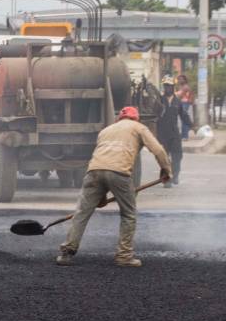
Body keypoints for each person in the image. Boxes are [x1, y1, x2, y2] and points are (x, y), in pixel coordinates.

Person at [55, 106, 172, 268]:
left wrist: (100, 197)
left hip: (93, 172)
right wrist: (166, 170)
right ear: (136, 118)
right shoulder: (139, 128)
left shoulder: (106, 130)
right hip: (119, 173)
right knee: (128, 214)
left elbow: (103, 160)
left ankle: (66, 253)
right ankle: (124, 256)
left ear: (119, 119)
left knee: (81, 212)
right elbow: (158, 150)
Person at [156, 76, 190, 188]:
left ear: (173, 87)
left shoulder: (177, 101)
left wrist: (192, 125)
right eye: (166, 86)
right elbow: (154, 114)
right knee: (164, 158)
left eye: (169, 86)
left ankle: (175, 175)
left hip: (174, 133)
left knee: (177, 155)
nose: (168, 88)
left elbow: (183, 115)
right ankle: (167, 179)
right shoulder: (159, 101)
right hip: (162, 133)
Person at [175, 74, 193, 139]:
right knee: (183, 119)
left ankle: (184, 136)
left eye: (181, 79)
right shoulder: (182, 87)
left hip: (185, 103)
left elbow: (179, 95)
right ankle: (183, 135)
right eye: (179, 79)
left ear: (184, 80)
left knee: (184, 119)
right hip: (183, 103)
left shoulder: (185, 87)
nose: (179, 80)